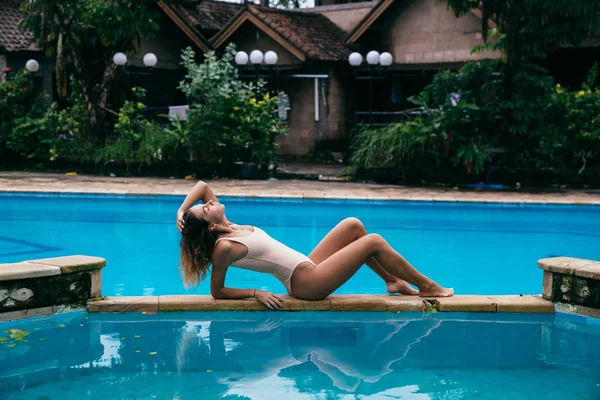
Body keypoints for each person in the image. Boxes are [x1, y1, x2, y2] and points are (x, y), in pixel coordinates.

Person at [177, 181, 453, 310]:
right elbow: (217, 291)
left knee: (353, 225)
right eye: (205, 209)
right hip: (306, 284)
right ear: (211, 227)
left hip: (307, 265)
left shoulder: (231, 225)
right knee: (373, 242)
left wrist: (181, 210)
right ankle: (427, 286)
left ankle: (392, 281)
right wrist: (256, 292)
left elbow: (202, 186)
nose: (209, 202)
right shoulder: (224, 246)